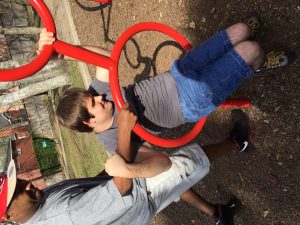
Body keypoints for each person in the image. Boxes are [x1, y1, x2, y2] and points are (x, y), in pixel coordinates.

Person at [51, 20, 294, 155]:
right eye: (95, 105)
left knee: (242, 30)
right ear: (89, 122)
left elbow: (104, 56)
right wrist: (126, 131)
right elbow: (136, 163)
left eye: (93, 97)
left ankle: (246, 59)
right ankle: (257, 65)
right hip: (190, 100)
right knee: (251, 50)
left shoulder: (97, 92)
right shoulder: (110, 140)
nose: (100, 99)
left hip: (179, 71)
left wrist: (64, 52)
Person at [1, 106, 252, 225]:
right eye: (17, 192)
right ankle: (238, 142)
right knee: (185, 164)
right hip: (138, 197)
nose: (26, 185)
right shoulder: (64, 215)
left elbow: (92, 189)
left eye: (20, 181)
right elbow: (121, 187)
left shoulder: (38, 204)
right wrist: (123, 130)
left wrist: (110, 166)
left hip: (128, 200)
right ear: (9, 215)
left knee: (174, 183)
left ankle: (217, 214)